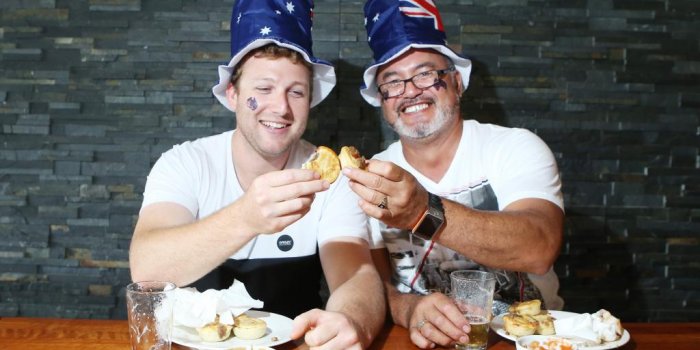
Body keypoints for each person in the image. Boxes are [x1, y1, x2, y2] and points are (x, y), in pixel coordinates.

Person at [128, 1, 384, 348]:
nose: (281, 107)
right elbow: (147, 271)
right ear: (233, 94)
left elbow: (358, 277)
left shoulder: (330, 178)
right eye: (263, 89)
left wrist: (352, 320)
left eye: (296, 92)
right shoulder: (185, 163)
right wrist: (245, 218)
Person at [342, 0, 565, 348]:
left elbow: (540, 246)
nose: (410, 90)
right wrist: (408, 308)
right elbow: (373, 284)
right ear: (382, 102)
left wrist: (421, 212)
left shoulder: (514, 147)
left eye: (426, 74)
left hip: (530, 340)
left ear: (457, 82)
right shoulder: (369, 177)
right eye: (393, 82)